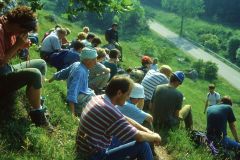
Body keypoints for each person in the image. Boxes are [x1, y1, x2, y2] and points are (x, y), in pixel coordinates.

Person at [75, 76, 161, 160]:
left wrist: (147, 131)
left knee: (131, 135)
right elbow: (139, 137)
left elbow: (124, 118)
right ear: (119, 93)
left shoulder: (99, 99)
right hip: (96, 155)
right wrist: (155, 137)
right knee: (143, 146)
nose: (128, 98)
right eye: (127, 95)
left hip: (85, 147)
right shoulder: (110, 111)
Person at [0, 6, 52, 129]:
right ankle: (38, 115)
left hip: (6, 69)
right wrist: (17, 45)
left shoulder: (10, 30)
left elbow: (8, 55)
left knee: (41, 64)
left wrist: (20, 47)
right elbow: (1, 62)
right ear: (17, 25)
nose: (25, 34)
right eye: (24, 31)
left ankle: (37, 100)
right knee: (34, 74)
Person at [49, 48, 97, 116]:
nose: (96, 62)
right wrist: (72, 113)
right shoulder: (80, 72)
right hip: (79, 100)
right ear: (87, 61)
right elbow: (73, 91)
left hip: (83, 94)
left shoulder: (77, 64)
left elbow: (64, 73)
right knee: (95, 109)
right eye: (94, 60)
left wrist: (52, 78)